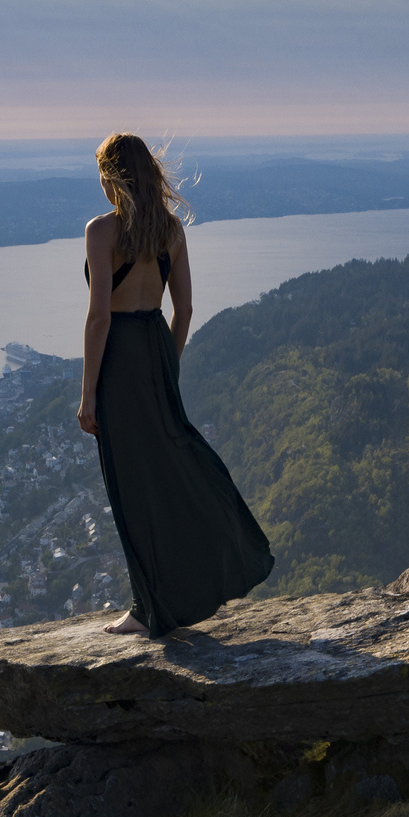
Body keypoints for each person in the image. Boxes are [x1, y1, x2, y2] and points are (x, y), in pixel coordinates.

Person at [78, 133, 274, 637]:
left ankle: (149, 610)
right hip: (156, 349)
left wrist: (88, 393)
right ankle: (218, 552)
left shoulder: (101, 232)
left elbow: (99, 317)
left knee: (132, 482)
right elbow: (183, 309)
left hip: (120, 356)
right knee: (175, 461)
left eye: (102, 173)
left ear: (111, 176)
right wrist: (170, 361)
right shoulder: (170, 231)